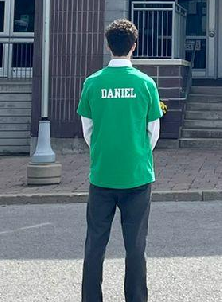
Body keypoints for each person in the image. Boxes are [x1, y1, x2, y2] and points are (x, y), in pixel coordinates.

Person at [73, 20, 164, 302]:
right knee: (135, 247)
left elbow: (88, 131)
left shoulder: (92, 83)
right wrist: (135, 151)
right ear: (134, 46)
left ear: (108, 45)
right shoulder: (145, 84)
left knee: (95, 245)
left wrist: (105, 150)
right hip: (137, 175)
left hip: (101, 175)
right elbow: (153, 134)